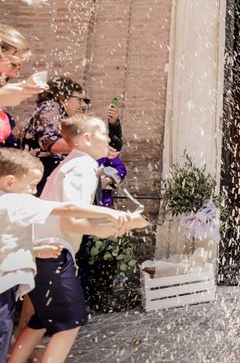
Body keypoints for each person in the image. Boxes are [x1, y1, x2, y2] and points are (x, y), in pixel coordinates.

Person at [9, 114, 147, 363]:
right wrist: (108, 228)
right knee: (70, 322)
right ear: (85, 139)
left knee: (40, 321)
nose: (108, 138)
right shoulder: (81, 167)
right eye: (103, 133)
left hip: (45, 251)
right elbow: (70, 217)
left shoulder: (77, 164)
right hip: (51, 252)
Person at [20, 77, 88, 195]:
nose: (82, 105)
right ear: (63, 98)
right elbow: (50, 142)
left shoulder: (57, 112)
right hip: (41, 171)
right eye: (79, 99)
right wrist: (89, 146)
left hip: (41, 171)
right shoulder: (50, 107)